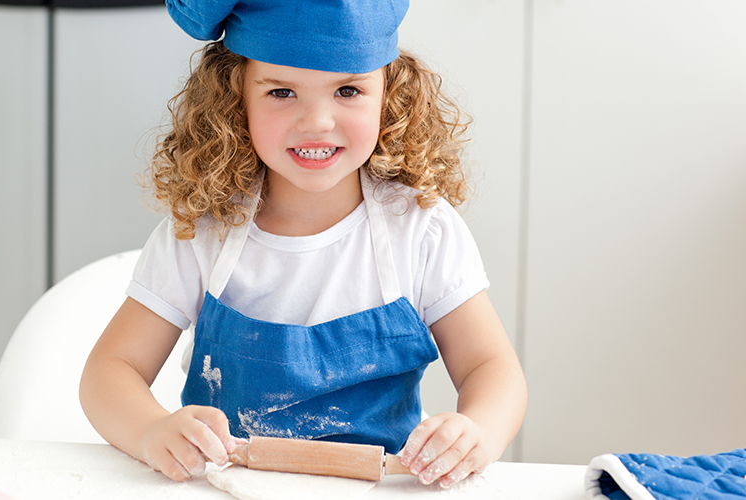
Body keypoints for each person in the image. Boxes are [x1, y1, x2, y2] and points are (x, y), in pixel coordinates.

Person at [79, 0, 527, 489]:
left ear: (389, 94)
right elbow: (110, 370)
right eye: (282, 91)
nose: (316, 121)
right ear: (235, 99)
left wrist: (477, 430)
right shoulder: (204, 230)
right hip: (228, 490)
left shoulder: (420, 229)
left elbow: (492, 368)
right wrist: (150, 430)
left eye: (348, 90)